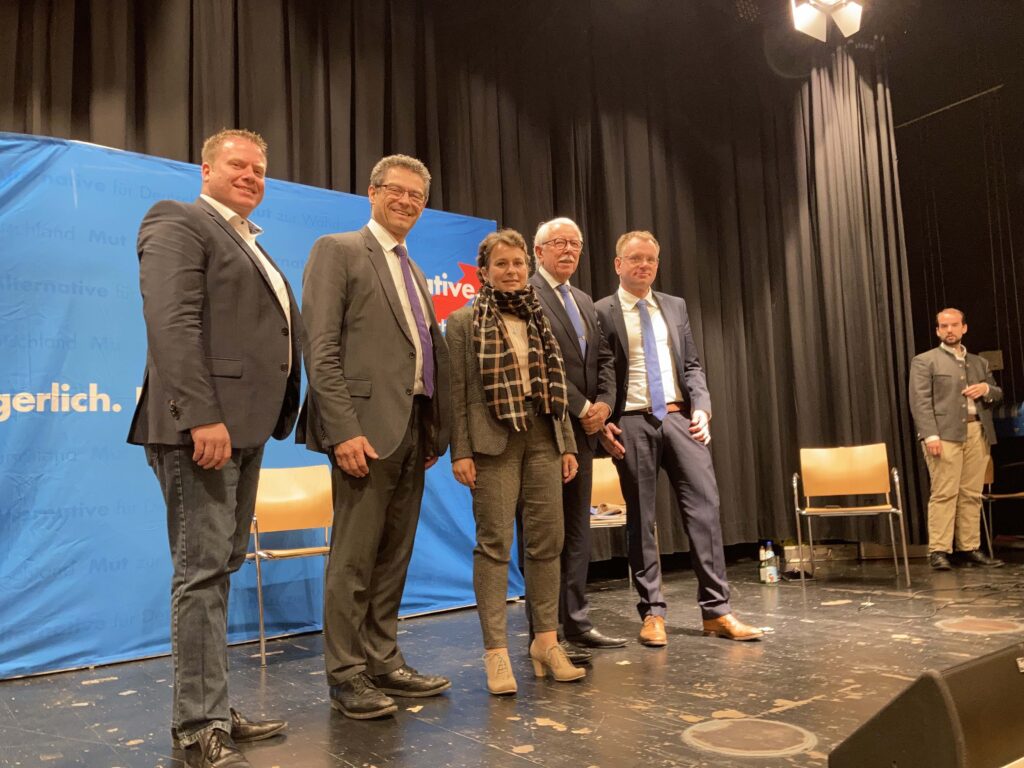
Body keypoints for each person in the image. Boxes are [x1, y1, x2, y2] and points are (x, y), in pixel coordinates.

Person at [128, 129, 301, 768]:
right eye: (237, 165)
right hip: (202, 431)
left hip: (244, 430)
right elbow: (171, 322)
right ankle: (198, 725)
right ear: (205, 169)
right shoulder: (177, 219)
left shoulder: (250, 241)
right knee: (200, 574)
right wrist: (202, 415)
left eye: (259, 168)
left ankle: (213, 706)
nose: (251, 175)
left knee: (219, 568)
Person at [298, 154, 452, 719]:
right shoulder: (337, 250)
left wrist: (431, 430)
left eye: (417, 196)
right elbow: (321, 350)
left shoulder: (413, 269)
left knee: (393, 556)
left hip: (411, 428)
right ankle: (346, 675)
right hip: (362, 431)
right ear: (372, 192)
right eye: (397, 191)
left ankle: (383, 660)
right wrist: (343, 430)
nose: (406, 202)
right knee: (354, 560)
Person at [595, 231, 763, 646]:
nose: (644, 265)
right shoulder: (601, 312)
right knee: (641, 519)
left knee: (705, 509)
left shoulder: (674, 306)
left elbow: (691, 365)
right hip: (631, 421)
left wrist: (702, 407)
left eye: (651, 259)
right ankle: (652, 613)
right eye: (635, 258)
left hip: (679, 418)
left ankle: (717, 611)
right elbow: (598, 374)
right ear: (618, 264)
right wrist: (602, 423)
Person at [448, 228, 584, 694]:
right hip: (493, 442)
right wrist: (461, 451)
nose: (512, 271)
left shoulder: (539, 316)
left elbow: (557, 385)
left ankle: (546, 642)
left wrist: (567, 443)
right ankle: (497, 652)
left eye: (518, 263)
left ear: (529, 267)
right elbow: (457, 393)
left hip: (544, 436)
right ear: (484, 272)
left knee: (548, 542)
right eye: (501, 264)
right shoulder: (463, 321)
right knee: (494, 544)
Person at [528, 218, 625, 659]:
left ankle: (577, 623)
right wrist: (583, 409)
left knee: (578, 532)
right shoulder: (527, 295)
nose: (568, 250)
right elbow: (538, 364)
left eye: (575, 244)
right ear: (539, 251)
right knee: (545, 535)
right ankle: (545, 632)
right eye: (559, 243)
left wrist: (603, 404)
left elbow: (604, 359)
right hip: (546, 431)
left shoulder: (584, 300)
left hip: (585, 434)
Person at [909, 308, 1004, 570]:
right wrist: (930, 435)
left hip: (977, 432)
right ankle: (939, 550)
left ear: (964, 328)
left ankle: (969, 548)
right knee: (944, 492)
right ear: (937, 330)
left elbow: (997, 394)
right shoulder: (925, 361)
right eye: (944, 326)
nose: (949, 330)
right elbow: (920, 402)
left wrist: (986, 389)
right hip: (944, 434)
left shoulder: (978, 362)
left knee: (971, 493)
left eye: (954, 325)